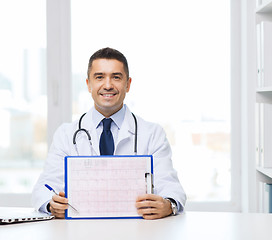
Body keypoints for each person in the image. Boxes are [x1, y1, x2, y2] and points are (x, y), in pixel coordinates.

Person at [32, 47, 186, 219]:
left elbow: (170, 186)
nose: (107, 85)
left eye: (116, 77)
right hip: (80, 232)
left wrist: (168, 204)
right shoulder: (66, 134)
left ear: (127, 84)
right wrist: (51, 204)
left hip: (136, 232)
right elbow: (44, 187)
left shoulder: (152, 133)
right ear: (88, 84)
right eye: (99, 77)